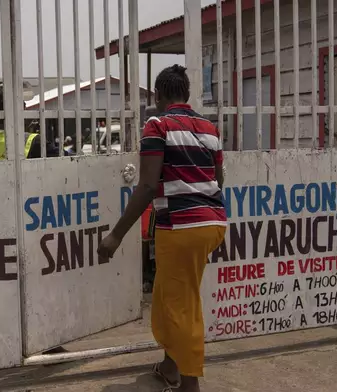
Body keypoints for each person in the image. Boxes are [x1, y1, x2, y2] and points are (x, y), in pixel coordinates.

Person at [97, 65, 226, 392]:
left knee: (181, 305)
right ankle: (171, 366)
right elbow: (218, 181)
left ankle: (189, 383)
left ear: (158, 95)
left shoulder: (158, 125)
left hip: (181, 227)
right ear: (187, 94)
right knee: (171, 296)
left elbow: (147, 186)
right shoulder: (210, 128)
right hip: (211, 224)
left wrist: (116, 235)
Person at [0, 84, 59, 160]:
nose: (25, 107)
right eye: (22, 104)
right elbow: (67, 159)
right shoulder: (32, 141)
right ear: (14, 109)